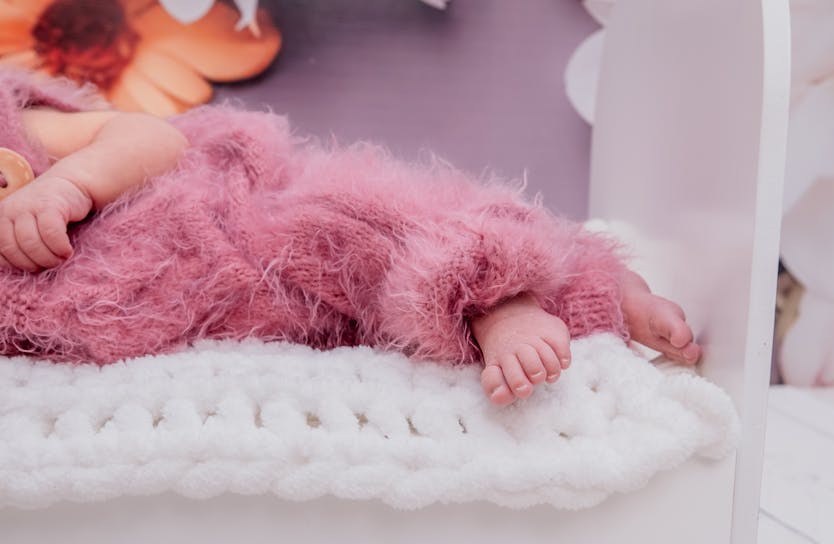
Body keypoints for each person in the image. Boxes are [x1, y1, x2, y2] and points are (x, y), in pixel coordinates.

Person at [0, 67, 700, 406]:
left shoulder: (16, 125)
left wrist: (68, 184)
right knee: (368, 320)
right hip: (221, 310)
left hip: (219, 218)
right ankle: (547, 296)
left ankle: (520, 296)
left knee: (359, 227)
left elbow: (147, 137)